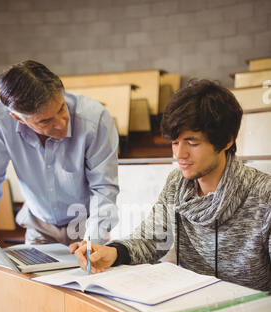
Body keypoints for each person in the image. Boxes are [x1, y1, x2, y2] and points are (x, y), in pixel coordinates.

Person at [71, 79, 271, 291]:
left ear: (227, 141)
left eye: (192, 143)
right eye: (175, 142)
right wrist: (113, 252)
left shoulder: (264, 195)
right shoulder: (178, 183)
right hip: (189, 308)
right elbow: (150, 240)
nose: (180, 154)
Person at [0, 60, 119, 275]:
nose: (60, 123)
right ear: (17, 118)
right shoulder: (0, 119)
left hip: (86, 225)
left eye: (61, 109)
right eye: (45, 121)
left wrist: (92, 241)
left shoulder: (95, 119)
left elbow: (104, 189)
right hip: (38, 224)